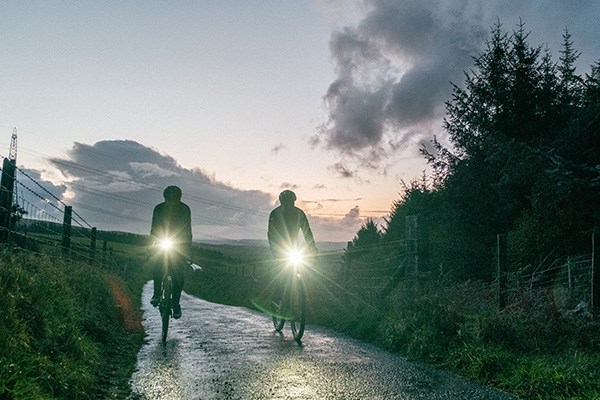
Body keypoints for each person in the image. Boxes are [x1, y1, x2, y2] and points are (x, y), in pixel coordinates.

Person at [149, 185, 192, 319]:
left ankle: (176, 303)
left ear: (179, 199)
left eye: (174, 200)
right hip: (162, 240)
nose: (172, 203)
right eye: (169, 200)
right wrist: (151, 245)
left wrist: (187, 248)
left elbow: (187, 229)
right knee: (158, 265)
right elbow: (154, 227)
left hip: (179, 243)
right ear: (165, 199)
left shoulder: (185, 209)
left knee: (179, 273)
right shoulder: (158, 209)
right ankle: (156, 294)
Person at [267, 189, 317, 261]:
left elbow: (307, 232)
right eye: (287, 203)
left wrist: (312, 247)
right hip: (279, 249)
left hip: (294, 248)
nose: (289, 205)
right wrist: (274, 250)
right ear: (282, 202)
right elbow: (271, 234)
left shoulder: (299, 213)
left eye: (291, 202)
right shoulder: (275, 214)